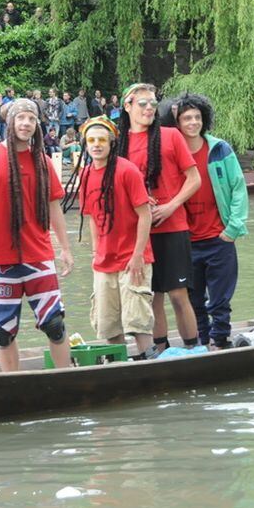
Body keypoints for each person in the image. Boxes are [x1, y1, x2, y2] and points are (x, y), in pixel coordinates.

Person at [0, 99, 75, 372]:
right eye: (21, 118)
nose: (26, 123)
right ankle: (12, 382)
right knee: (2, 330)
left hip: (39, 256)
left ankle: (66, 378)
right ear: (10, 122)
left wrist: (65, 249)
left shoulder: (42, 161)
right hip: (2, 259)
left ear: (37, 125)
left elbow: (54, 207)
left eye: (32, 119)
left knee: (54, 323)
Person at [117, 83, 201, 351]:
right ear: (127, 106)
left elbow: (194, 179)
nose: (149, 108)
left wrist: (170, 206)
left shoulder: (171, 136)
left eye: (153, 103)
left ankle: (193, 350)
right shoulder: (119, 142)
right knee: (151, 297)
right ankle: (161, 353)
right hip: (139, 233)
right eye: (142, 103)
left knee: (178, 295)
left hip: (173, 226)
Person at [164, 94, 249, 349]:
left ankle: (220, 340)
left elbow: (238, 188)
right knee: (194, 299)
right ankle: (202, 342)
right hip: (185, 239)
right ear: (176, 122)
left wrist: (233, 228)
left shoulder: (219, 148)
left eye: (197, 117)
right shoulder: (170, 152)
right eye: (186, 118)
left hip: (219, 236)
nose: (193, 123)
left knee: (220, 299)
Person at [79, 116, 156, 357]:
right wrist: (95, 253)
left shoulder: (127, 170)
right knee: (107, 322)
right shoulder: (85, 174)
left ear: (111, 143)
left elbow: (145, 215)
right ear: (85, 144)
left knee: (138, 320)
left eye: (102, 140)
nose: (96, 144)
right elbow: (92, 216)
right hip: (103, 261)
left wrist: (137, 256)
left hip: (132, 257)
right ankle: (118, 365)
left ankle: (149, 361)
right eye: (91, 140)